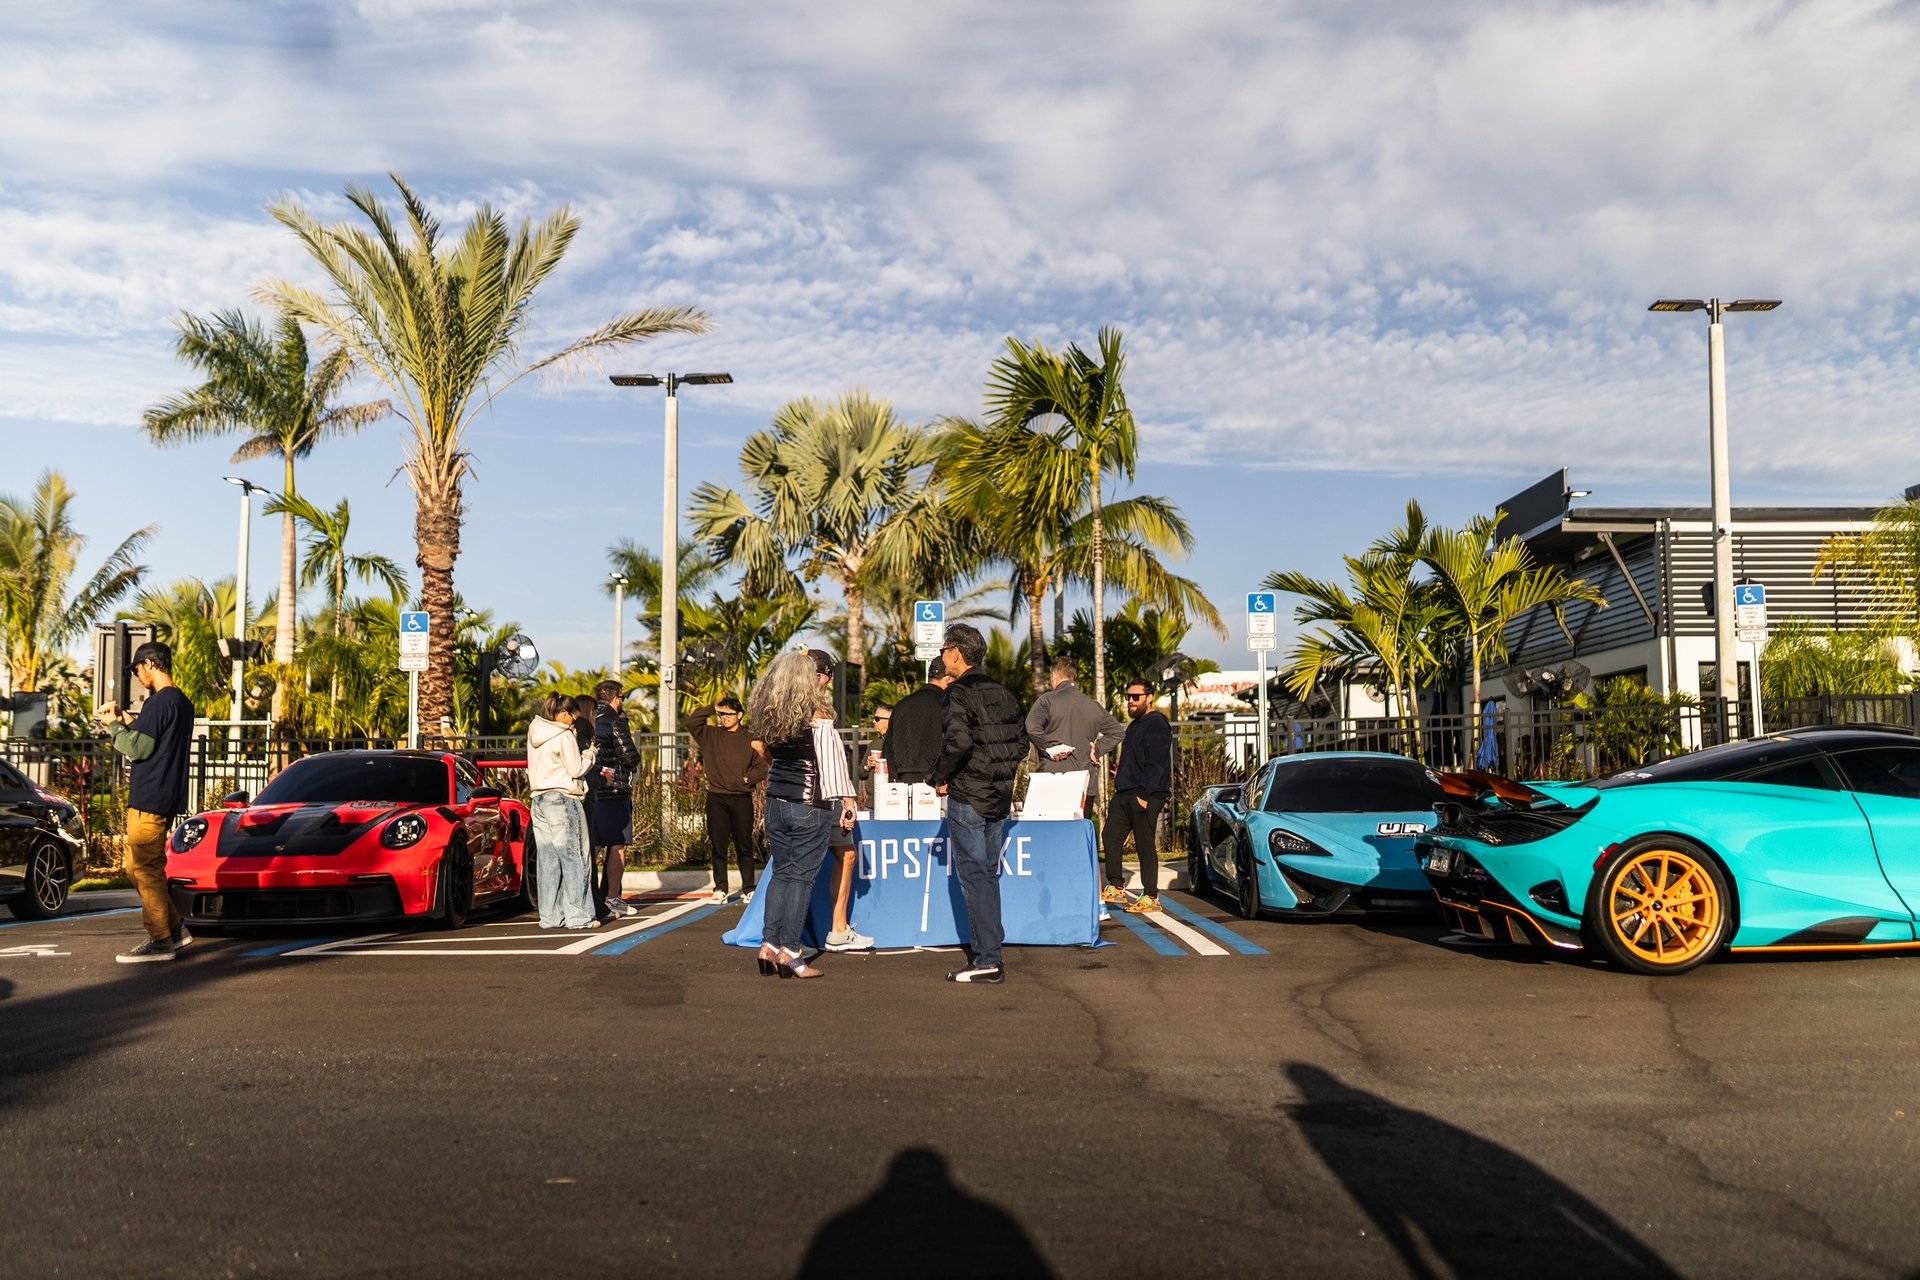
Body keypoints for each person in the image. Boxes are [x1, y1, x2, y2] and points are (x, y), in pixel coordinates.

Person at [927, 623, 1026, 984]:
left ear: (955, 652)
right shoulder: (1005, 692)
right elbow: (1020, 745)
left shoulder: (959, 693)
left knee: (975, 877)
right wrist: (999, 773)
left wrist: (938, 777)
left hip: (969, 795)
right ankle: (990, 952)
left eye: (943, 650)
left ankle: (987, 959)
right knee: (986, 876)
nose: (941, 656)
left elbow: (958, 743)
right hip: (998, 796)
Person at [750, 650, 858, 980]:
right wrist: (849, 802)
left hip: (776, 802)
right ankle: (792, 952)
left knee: (781, 873)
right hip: (809, 805)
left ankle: (769, 944)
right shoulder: (820, 722)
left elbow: (766, 754)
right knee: (801, 877)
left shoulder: (775, 717)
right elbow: (833, 767)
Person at [100, 641, 196, 963]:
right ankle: (175, 929)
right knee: (135, 866)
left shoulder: (158, 702)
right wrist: (128, 722)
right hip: (166, 795)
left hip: (150, 798)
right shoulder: (181, 703)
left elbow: (138, 750)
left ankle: (160, 940)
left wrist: (112, 726)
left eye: (137, 669)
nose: (137, 675)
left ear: (150, 664)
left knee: (147, 868)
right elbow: (153, 740)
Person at [810, 649, 874, 953]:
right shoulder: (809, 709)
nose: (821, 680)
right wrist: (848, 799)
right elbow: (830, 760)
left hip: (816, 795)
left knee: (844, 857)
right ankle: (792, 938)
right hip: (820, 797)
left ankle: (836, 929)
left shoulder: (797, 705)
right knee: (803, 866)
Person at [527, 691, 600, 930]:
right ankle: (579, 917)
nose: (575, 722)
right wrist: (590, 754)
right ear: (565, 714)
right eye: (574, 717)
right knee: (575, 857)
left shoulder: (535, 731)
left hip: (539, 799)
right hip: (563, 799)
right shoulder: (565, 735)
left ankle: (549, 916)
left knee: (548, 859)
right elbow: (576, 768)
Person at [688, 693, 768, 904]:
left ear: (740, 715)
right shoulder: (710, 735)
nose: (724, 718)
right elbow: (692, 721)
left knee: (744, 846)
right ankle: (720, 889)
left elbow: (762, 765)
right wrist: (713, 708)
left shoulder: (750, 738)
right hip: (716, 798)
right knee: (719, 846)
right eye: (721, 714)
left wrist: (746, 780)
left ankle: (749, 888)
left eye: (729, 714)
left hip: (741, 798)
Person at [1103, 679, 1173, 913]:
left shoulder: (1157, 723)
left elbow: (1158, 762)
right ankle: (1116, 887)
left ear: (1149, 697)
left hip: (1146, 794)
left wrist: (1145, 794)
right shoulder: (1134, 726)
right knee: (1110, 835)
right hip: (1125, 793)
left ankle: (1151, 896)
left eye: (1136, 697)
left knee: (1144, 845)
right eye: (1128, 697)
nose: (1130, 702)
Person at [587, 682, 642, 920]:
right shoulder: (615, 720)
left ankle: (587, 897)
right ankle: (612, 898)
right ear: (616, 699)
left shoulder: (588, 718)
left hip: (592, 790)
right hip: (615, 791)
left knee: (593, 846)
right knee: (617, 846)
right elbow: (630, 756)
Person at [1026, 655, 1125, 779]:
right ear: (1074, 677)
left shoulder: (1046, 701)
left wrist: (1049, 749)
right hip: (1086, 782)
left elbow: (1031, 728)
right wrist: (1097, 751)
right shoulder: (1094, 706)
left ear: (1054, 675)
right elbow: (1117, 732)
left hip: (1054, 780)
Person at [881, 657, 952, 783]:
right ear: (948, 678)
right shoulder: (947, 704)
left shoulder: (902, 705)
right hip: (939, 779)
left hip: (904, 779)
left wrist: (893, 778)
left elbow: (888, 747)